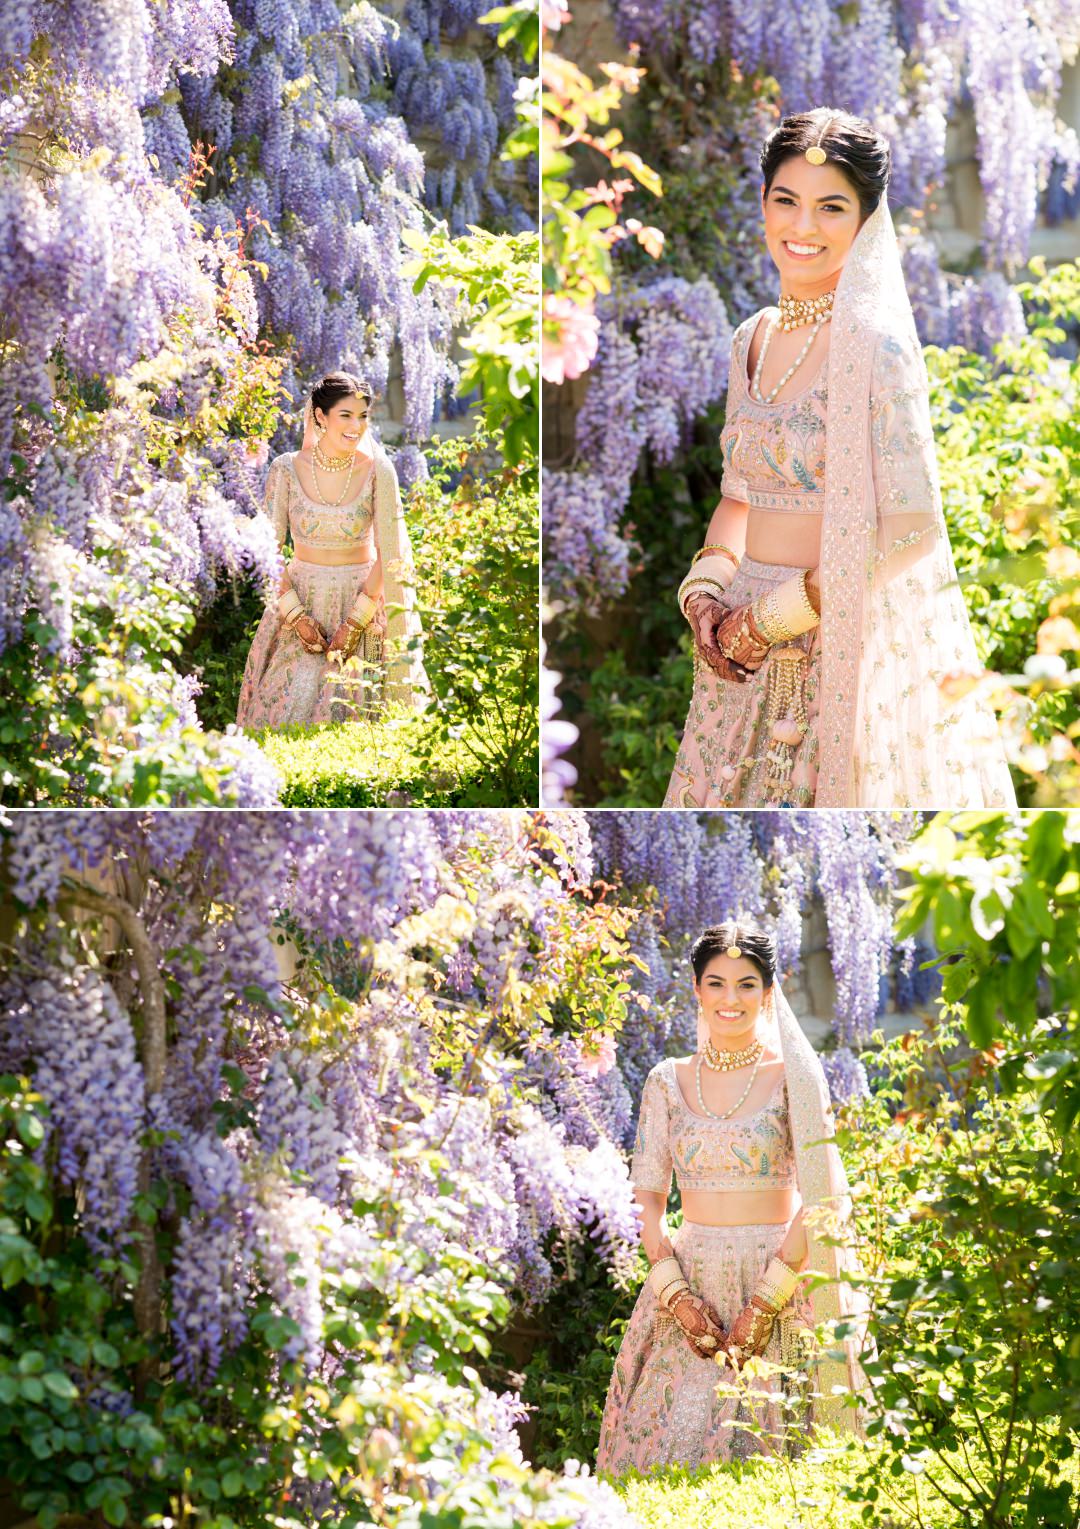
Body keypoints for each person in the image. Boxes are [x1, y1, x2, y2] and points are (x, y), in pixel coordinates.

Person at [663, 107, 1015, 809]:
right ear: (762, 203)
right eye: (785, 201)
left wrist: (775, 617)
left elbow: (915, 530)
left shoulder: (875, 348)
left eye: (831, 208)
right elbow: (740, 497)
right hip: (736, 651)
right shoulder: (751, 340)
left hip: (834, 641)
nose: (803, 227)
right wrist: (705, 594)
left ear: (865, 222)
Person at [596, 921, 871, 1477]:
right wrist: (674, 1293)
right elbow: (645, 1197)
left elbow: (823, 1196)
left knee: (784, 1455)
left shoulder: (794, 1077)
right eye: (716, 983)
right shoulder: (665, 1081)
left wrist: (768, 1301)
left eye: (746, 985)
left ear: (769, 994)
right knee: (664, 1459)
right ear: (695, 989)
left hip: (784, 1280)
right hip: (688, 1286)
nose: (730, 999)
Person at [236, 371, 427, 728]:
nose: (357, 426)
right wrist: (297, 616)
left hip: (364, 603)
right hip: (299, 601)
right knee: (280, 715)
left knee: (363, 716)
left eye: (363, 416)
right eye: (346, 415)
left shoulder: (378, 471)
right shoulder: (286, 470)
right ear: (320, 416)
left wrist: (357, 619)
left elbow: (390, 550)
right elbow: (269, 550)